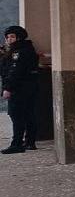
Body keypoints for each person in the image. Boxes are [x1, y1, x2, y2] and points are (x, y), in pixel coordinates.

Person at [1, 24, 40, 154]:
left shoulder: (18, 52)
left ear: (19, 37)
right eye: (7, 37)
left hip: (19, 88)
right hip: (30, 87)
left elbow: (14, 72)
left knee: (16, 115)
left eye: (12, 37)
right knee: (29, 114)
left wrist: (7, 88)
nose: (9, 39)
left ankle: (17, 144)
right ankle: (29, 141)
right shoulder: (26, 49)